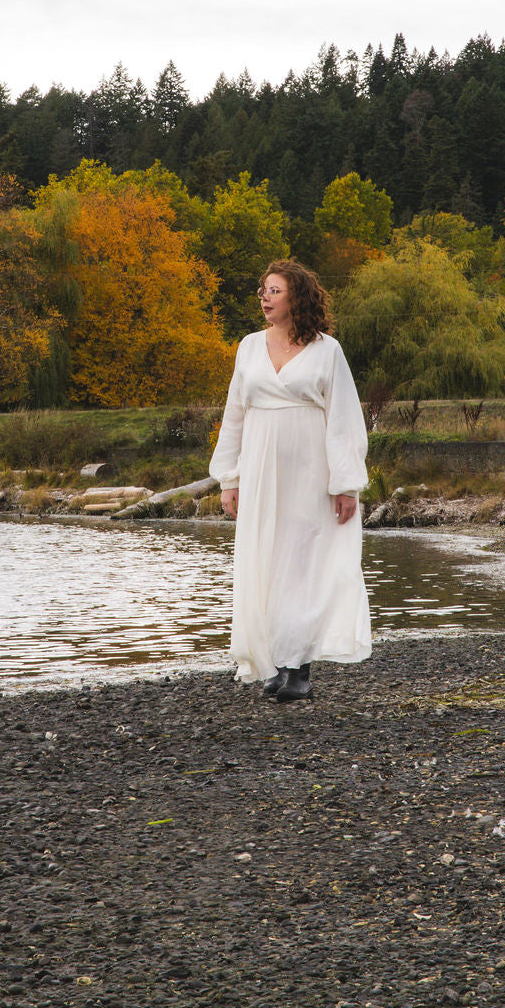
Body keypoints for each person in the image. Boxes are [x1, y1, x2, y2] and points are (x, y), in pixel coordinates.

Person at [209, 258, 371, 701]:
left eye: (274, 290)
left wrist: (345, 483)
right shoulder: (248, 347)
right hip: (261, 471)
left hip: (311, 473)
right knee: (267, 562)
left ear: (297, 297)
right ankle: (275, 661)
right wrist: (229, 478)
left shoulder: (327, 350)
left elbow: (343, 419)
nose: (264, 297)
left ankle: (299, 667)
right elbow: (234, 416)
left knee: (305, 562)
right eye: (262, 290)